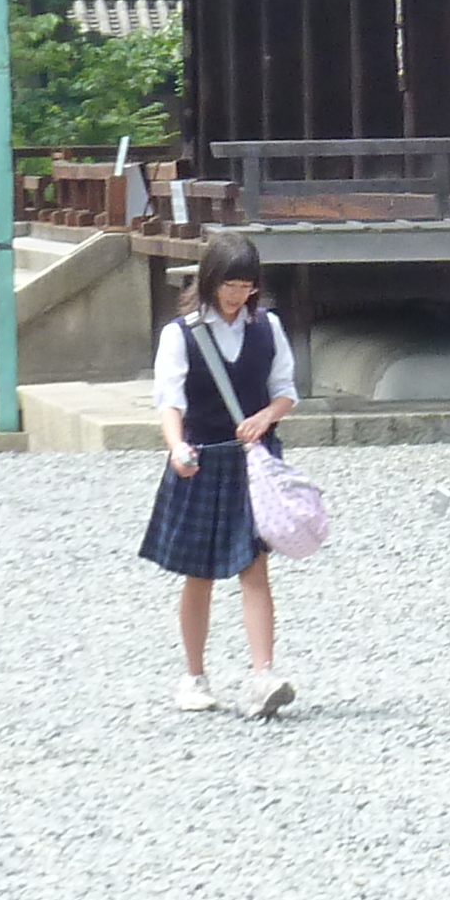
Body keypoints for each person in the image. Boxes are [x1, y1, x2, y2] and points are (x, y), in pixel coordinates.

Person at [143, 230, 299, 717]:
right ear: (210, 282)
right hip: (204, 459)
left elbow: (285, 391)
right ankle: (194, 676)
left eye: (246, 287)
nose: (237, 296)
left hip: (252, 461)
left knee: (255, 568)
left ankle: (263, 674)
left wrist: (266, 417)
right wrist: (176, 446)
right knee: (199, 574)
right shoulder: (181, 333)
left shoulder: (267, 327)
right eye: (230, 286)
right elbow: (170, 401)